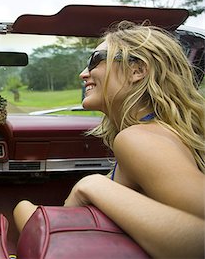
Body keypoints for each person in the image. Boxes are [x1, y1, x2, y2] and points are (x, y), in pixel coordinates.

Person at [13, 21, 205, 258]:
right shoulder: (157, 133)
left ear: (137, 70)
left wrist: (93, 185)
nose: (83, 74)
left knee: (22, 209)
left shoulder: (138, 138)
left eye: (95, 60)